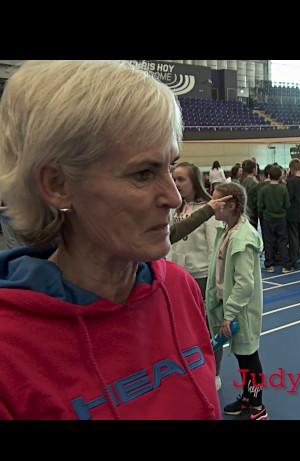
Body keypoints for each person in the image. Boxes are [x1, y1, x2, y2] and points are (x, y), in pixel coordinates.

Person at [0, 60, 224, 420]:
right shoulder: (9, 350)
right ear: (58, 186)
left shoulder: (179, 288)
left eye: (170, 167)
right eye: (143, 173)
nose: (174, 197)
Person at [205, 182, 268, 420]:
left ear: (231, 205)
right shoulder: (226, 231)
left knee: (249, 356)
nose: (212, 206)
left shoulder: (244, 237)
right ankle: (246, 397)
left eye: (216, 202)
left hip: (241, 310)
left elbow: (244, 283)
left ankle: (258, 405)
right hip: (227, 305)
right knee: (241, 356)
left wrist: (230, 313)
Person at [168, 161, 225, 391]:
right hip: (178, 277)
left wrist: (215, 282)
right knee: (182, 328)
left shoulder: (208, 210)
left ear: (194, 181)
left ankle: (215, 372)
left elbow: (214, 248)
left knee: (209, 328)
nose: (176, 183)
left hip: (201, 276)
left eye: (181, 179)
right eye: (174, 178)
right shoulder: (175, 208)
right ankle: (191, 367)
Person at [258, 165, 291, 273]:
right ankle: (285, 265)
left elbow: (260, 205)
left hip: (268, 219)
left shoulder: (264, 189)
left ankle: (269, 265)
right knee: (282, 241)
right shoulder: (283, 188)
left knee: (268, 242)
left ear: (268, 175)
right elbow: (287, 205)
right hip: (281, 219)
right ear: (280, 176)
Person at [240, 159, 259, 229]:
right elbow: (256, 200)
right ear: (254, 169)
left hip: (243, 212)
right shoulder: (254, 183)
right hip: (252, 213)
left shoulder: (242, 181)